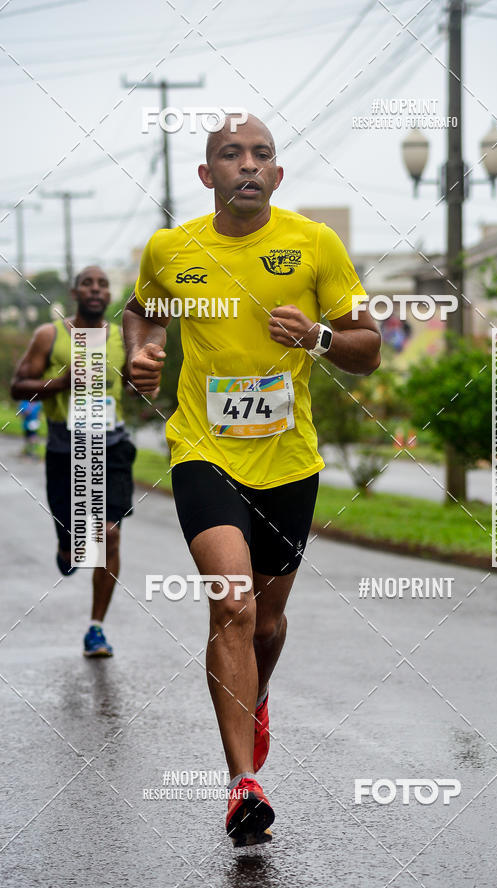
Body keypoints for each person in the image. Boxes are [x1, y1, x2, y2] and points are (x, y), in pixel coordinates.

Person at [123, 113, 380, 846]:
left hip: (289, 461)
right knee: (231, 605)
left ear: (277, 173)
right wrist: (142, 357)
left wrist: (320, 337)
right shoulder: (173, 249)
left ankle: (255, 693)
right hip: (202, 450)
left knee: (266, 622)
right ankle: (242, 784)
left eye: (261, 154)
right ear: (207, 175)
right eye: (230, 154)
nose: (247, 164)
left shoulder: (313, 244)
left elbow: (368, 349)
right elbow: (142, 313)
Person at [11, 266, 136, 658]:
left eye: (102, 284)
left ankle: (96, 628)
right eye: (88, 283)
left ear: (108, 293)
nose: (96, 289)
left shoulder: (121, 339)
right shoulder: (50, 336)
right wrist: (61, 383)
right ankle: (68, 547)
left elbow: (133, 383)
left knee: (109, 535)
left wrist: (143, 377)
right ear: (75, 291)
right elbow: (18, 387)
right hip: (65, 449)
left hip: (112, 446)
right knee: (75, 551)